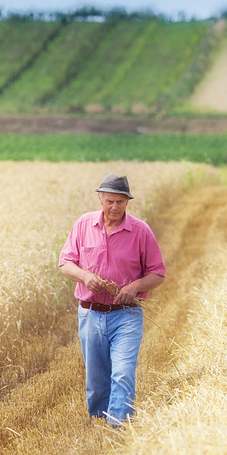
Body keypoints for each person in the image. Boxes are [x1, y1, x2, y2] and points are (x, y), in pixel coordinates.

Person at [59, 173, 165, 426]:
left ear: (127, 202)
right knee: (96, 379)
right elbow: (65, 263)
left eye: (120, 202)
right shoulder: (83, 225)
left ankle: (119, 424)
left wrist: (135, 287)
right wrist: (85, 277)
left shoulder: (140, 231)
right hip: (90, 312)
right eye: (109, 202)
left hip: (126, 314)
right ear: (100, 199)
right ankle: (99, 420)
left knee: (123, 372)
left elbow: (158, 273)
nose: (114, 207)